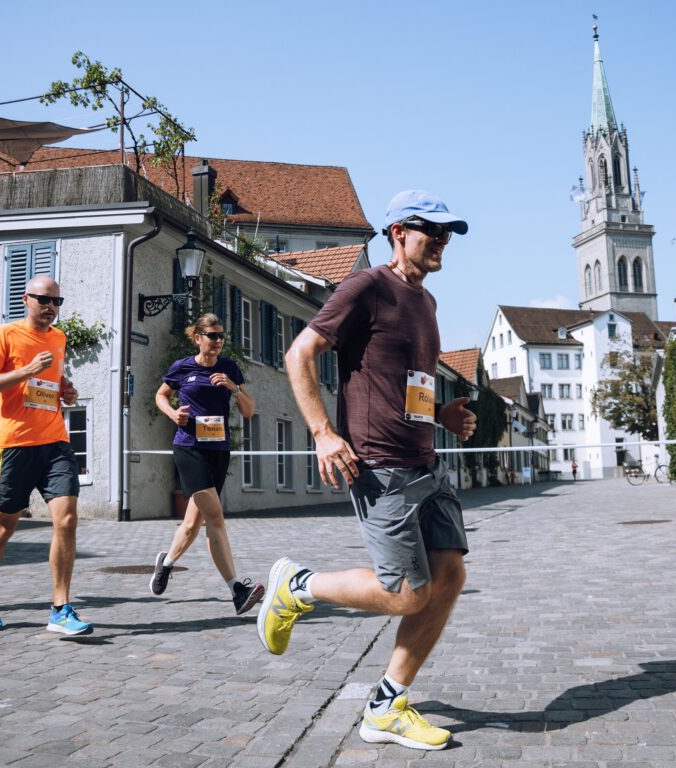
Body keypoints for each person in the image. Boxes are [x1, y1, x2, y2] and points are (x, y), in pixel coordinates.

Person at [257, 190, 476, 751]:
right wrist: (324, 434)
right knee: (406, 593)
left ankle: (385, 708)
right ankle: (296, 586)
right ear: (400, 230)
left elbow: (411, 384)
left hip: (424, 463)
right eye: (434, 230)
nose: (443, 241)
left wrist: (443, 416)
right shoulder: (365, 287)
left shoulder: (423, 303)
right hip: (379, 465)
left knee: (448, 579)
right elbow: (299, 353)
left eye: (449, 233)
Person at [0, 275, 91, 635]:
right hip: (14, 445)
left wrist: (66, 391)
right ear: (26, 299)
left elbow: (50, 385)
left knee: (67, 520)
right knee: (5, 525)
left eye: (56, 301)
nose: (50, 307)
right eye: (43, 300)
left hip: (55, 442)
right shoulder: (5, 335)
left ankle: (60, 608)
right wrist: (25, 370)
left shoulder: (58, 338)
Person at [149, 314, 265, 615]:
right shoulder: (182, 367)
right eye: (212, 335)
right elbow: (160, 396)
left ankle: (166, 564)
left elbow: (250, 410)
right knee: (215, 517)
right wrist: (173, 414)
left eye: (221, 336)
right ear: (198, 337)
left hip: (219, 450)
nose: (218, 341)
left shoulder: (229, 369)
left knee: (191, 524)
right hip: (189, 448)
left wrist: (233, 388)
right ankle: (237, 591)